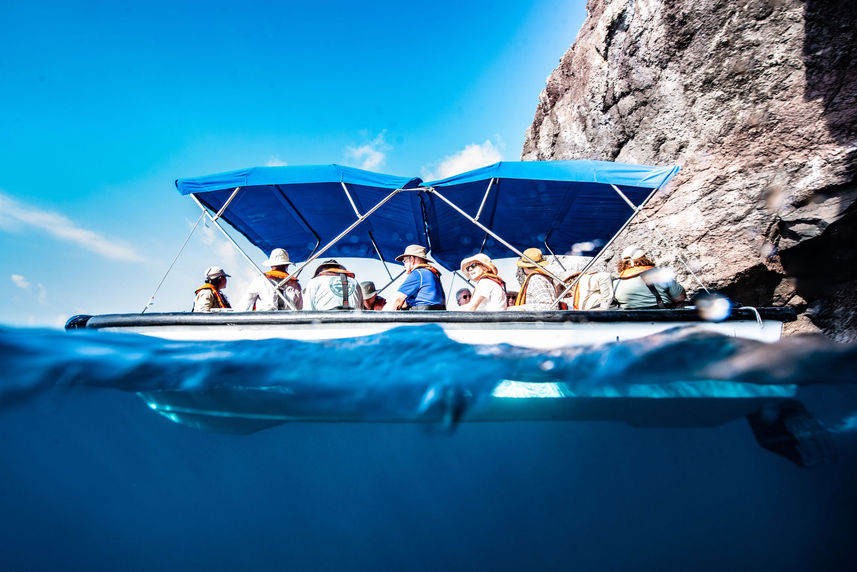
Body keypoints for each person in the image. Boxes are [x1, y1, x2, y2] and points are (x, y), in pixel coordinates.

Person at [612, 245, 686, 309]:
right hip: (663, 317)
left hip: (632, 320)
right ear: (644, 258)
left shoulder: (616, 283)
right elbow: (680, 298)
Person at [384, 244, 446, 310]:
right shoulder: (432, 274)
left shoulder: (418, 273)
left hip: (421, 318)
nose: (404, 265)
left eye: (404, 261)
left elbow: (396, 299)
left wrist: (382, 318)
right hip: (434, 317)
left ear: (412, 259)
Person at [238, 248, 303, 311]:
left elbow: (245, 303)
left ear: (271, 265)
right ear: (287, 265)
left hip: (264, 320)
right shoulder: (296, 285)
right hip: (288, 320)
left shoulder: (260, 280)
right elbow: (299, 308)